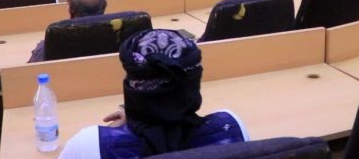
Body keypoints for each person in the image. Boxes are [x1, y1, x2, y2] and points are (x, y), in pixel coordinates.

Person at [58, 29, 248, 158]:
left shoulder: (88, 145)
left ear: (133, 88)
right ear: (193, 82)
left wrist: (132, 121)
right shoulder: (233, 129)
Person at [27, 0, 108, 63]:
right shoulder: (114, 33)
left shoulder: (51, 43)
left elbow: (34, 68)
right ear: (105, 5)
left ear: (70, 9)